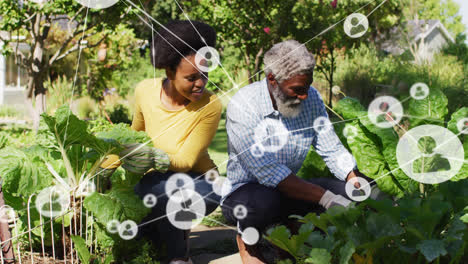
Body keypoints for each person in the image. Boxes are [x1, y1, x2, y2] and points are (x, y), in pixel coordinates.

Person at [221, 40, 376, 263]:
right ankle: (248, 244)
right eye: (297, 90)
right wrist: (326, 198)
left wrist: (353, 178)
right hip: (247, 192)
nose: (304, 96)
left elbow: (330, 146)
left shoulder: (311, 98)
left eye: (307, 86)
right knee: (262, 204)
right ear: (272, 79)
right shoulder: (244, 105)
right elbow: (267, 171)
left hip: (291, 188)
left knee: (355, 193)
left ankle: (288, 234)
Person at [101, 20, 222, 264]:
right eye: (191, 77)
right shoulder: (145, 91)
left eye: (205, 75)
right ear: (169, 72)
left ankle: (178, 258)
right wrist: (104, 171)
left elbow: (186, 161)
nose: (200, 83)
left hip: (202, 183)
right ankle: (165, 238)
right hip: (157, 181)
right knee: (152, 199)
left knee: (163, 194)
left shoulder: (210, 105)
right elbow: (133, 135)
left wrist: (149, 156)